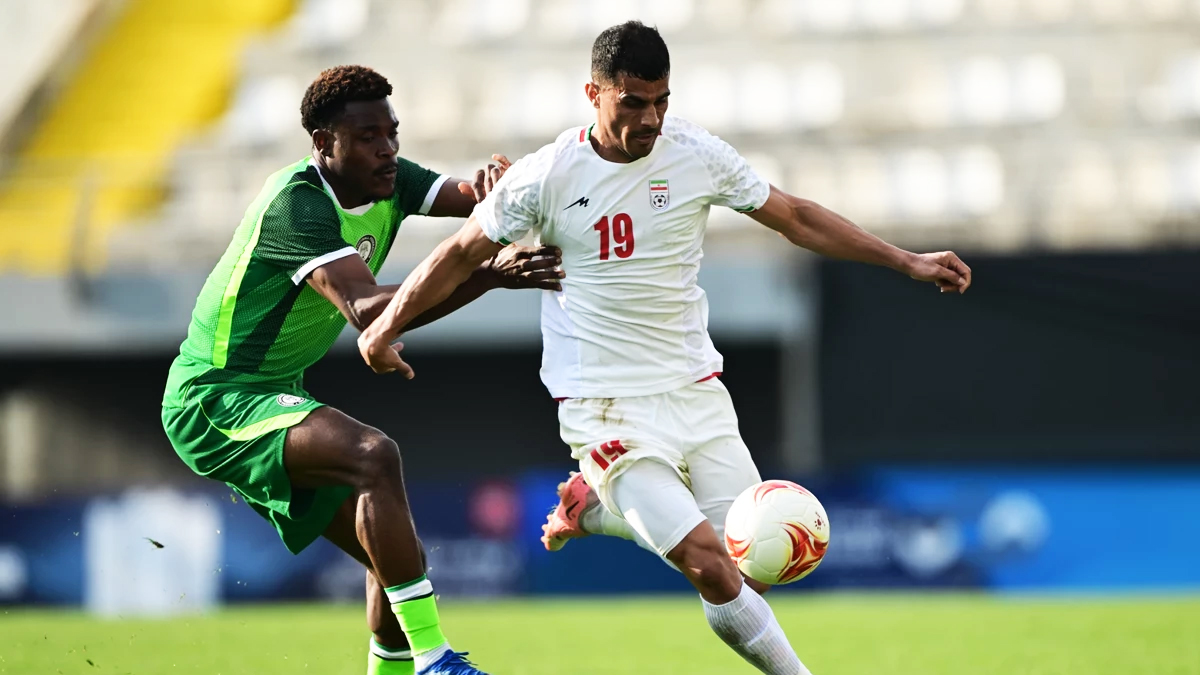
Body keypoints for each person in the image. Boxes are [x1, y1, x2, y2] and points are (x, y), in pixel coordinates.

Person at [356, 22, 971, 675]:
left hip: (695, 391)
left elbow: (793, 215)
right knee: (709, 563)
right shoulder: (547, 176)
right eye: (633, 103)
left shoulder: (695, 155)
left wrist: (905, 259)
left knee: (747, 566)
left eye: (661, 101)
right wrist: (386, 324)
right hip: (606, 408)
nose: (650, 118)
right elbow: (458, 253)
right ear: (594, 94)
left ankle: (594, 511)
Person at [161, 65, 561, 675]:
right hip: (215, 398)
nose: (388, 149)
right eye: (369, 136)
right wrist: (488, 275)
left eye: (392, 133)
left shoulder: (391, 181)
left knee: (395, 559)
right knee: (374, 454)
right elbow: (371, 311)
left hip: (271, 393)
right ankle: (436, 661)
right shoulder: (297, 205)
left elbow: (477, 203)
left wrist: (504, 188)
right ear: (325, 144)